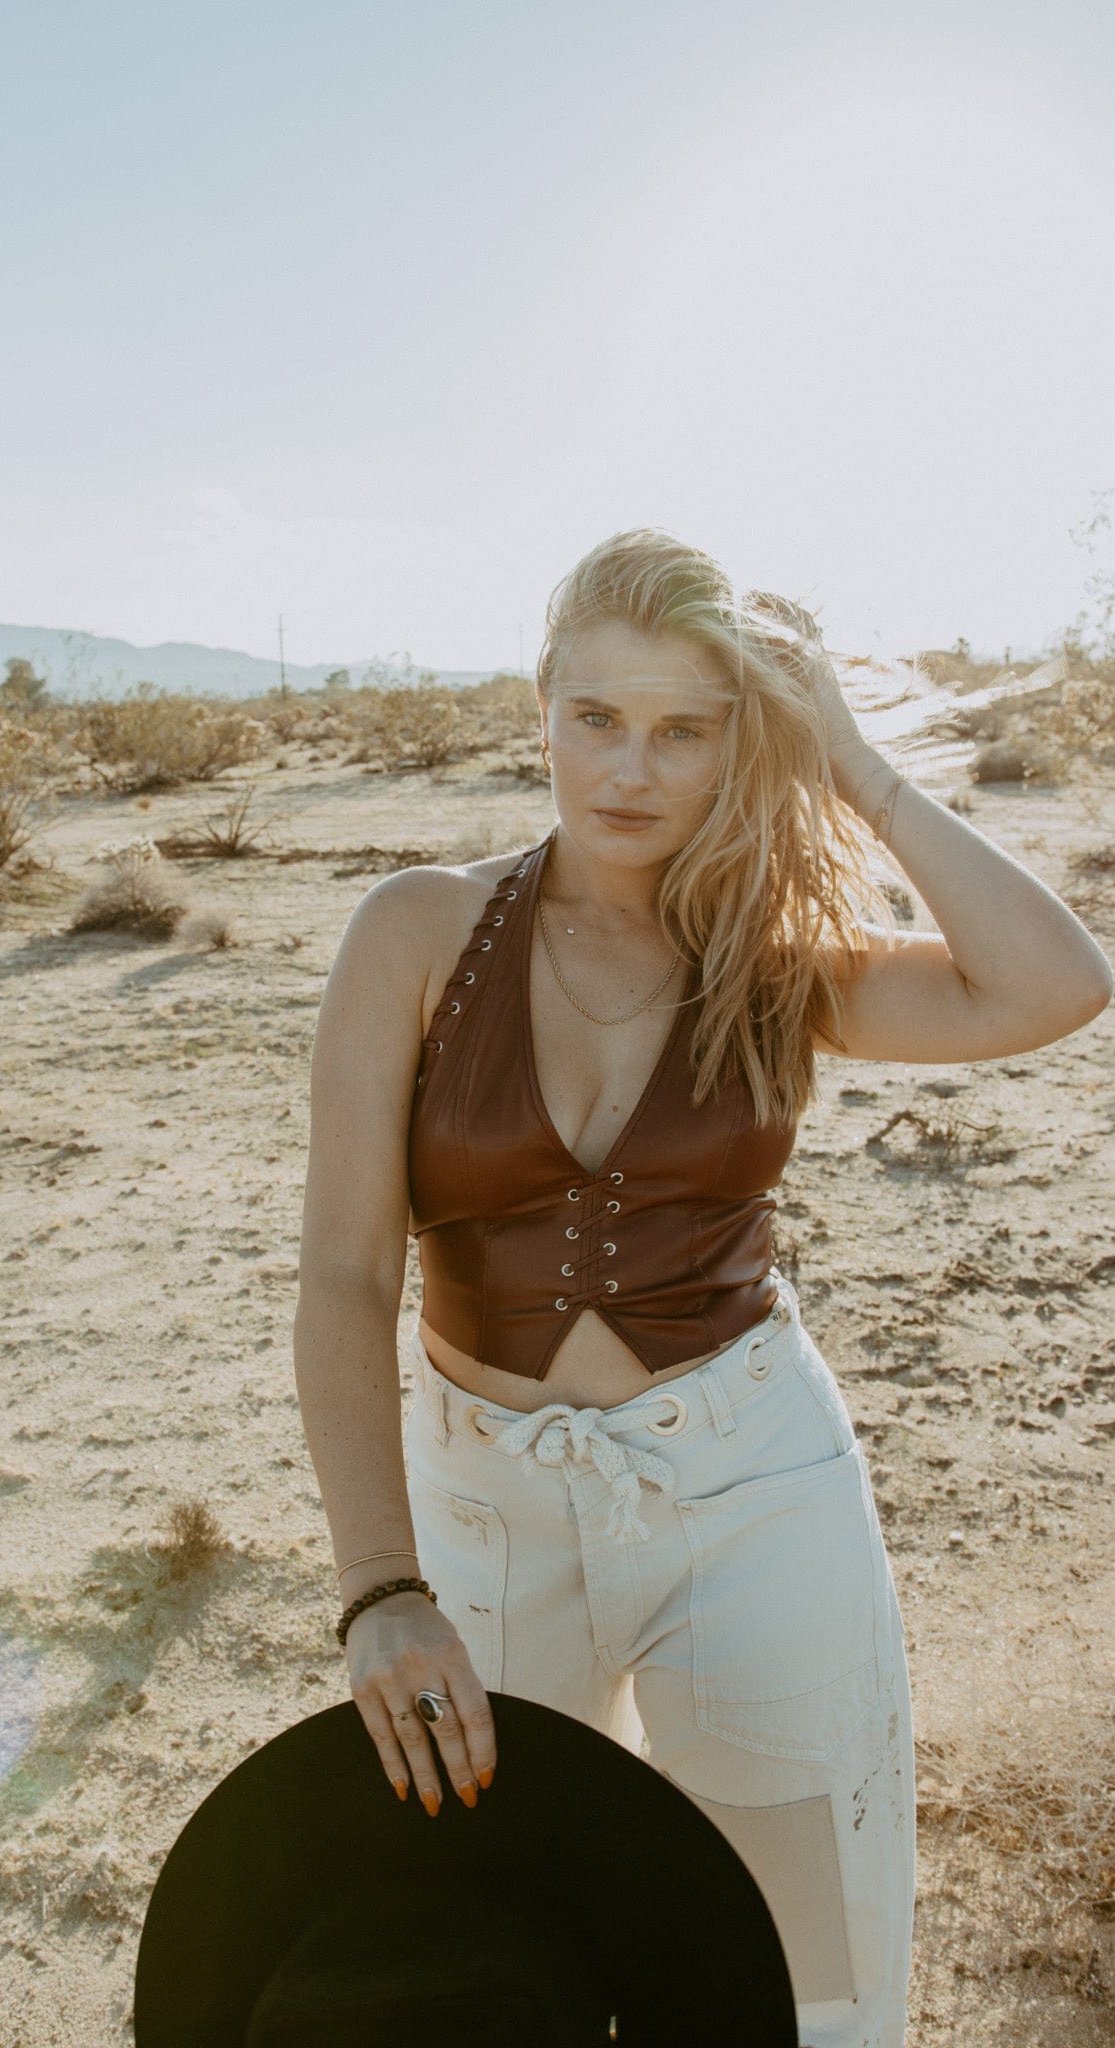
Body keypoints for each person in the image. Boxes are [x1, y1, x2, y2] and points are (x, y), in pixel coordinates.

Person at [292, 527, 1113, 2048]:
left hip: (749, 1491)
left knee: (804, 1972)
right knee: (497, 1958)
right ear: (541, 708)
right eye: (596, 717)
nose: (630, 770)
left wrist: (847, 761)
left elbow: (1053, 983)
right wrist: (381, 1590)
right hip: (482, 1508)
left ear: (742, 743)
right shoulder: (417, 930)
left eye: (686, 730)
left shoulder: (773, 956)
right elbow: (345, 1276)